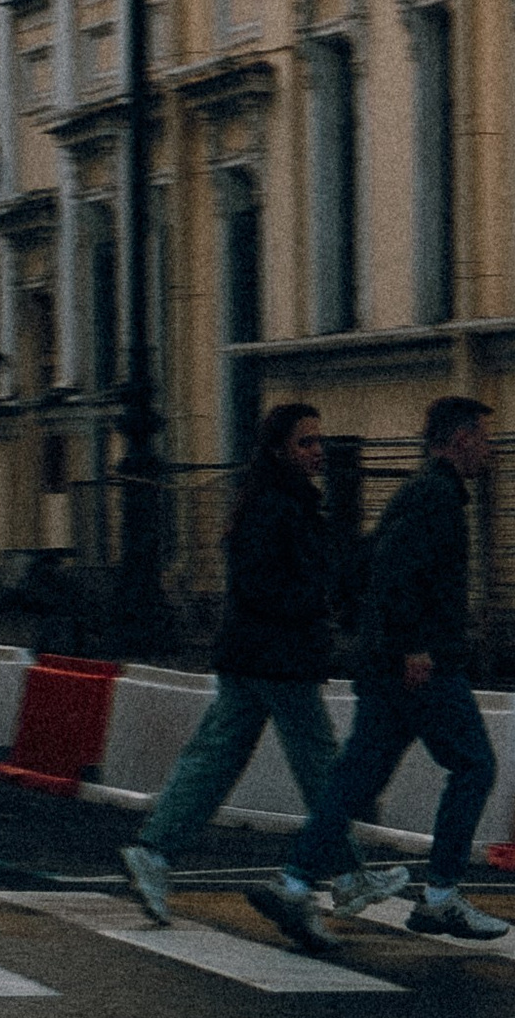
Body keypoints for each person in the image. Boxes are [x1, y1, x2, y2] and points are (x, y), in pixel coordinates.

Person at [121, 401, 349, 959]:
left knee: (216, 758)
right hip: (279, 656)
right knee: (320, 763)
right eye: (305, 442)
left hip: (253, 654)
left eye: (319, 441)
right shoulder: (278, 505)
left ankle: (154, 851)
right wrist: (316, 604)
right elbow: (263, 585)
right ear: (278, 450)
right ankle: (349, 873)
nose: (318, 451)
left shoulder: (272, 501)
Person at [298, 393, 510, 940]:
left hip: (385, 659)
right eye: (484, 438)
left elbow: (367, 562)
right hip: (422, 663)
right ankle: (440, 896)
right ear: (461, 439)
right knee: (474, 767)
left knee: (357, 778)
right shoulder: (437, 496)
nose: (489, 450)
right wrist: (413, 645)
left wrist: (370, 633)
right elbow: (396, 570)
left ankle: (292, 882)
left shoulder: (419, 492)